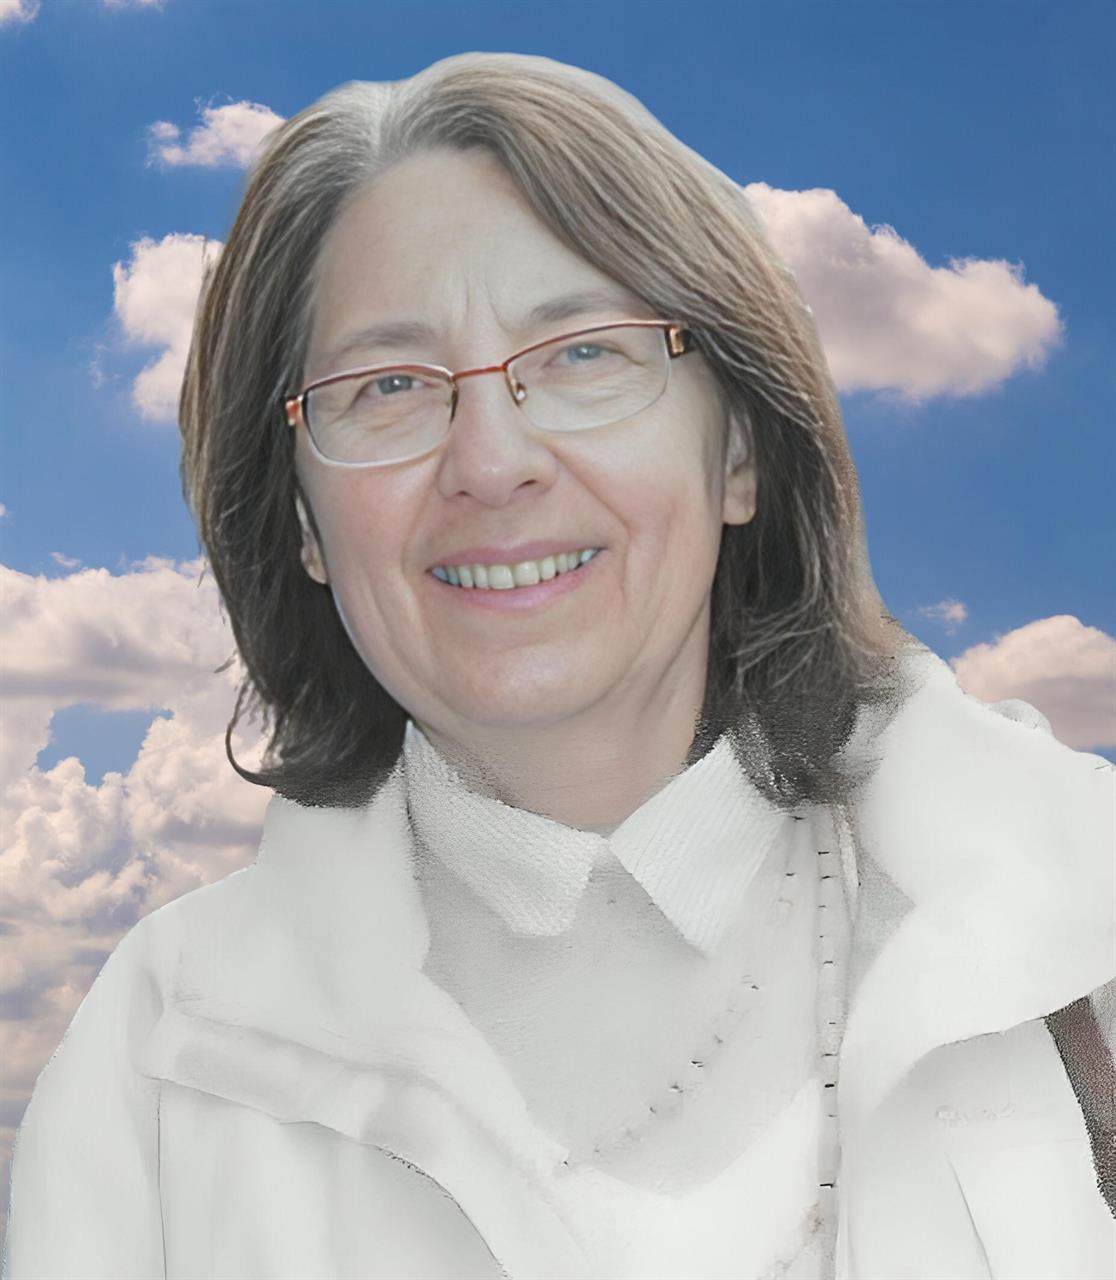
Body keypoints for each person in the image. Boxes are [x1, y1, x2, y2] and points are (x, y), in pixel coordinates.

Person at [3, 51, 1113, 1280]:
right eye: (387, 385)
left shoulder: (1081, 921)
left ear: (741, 450)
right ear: (306, 521)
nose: (491, 460)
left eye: (585, 354)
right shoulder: (152, 1072)